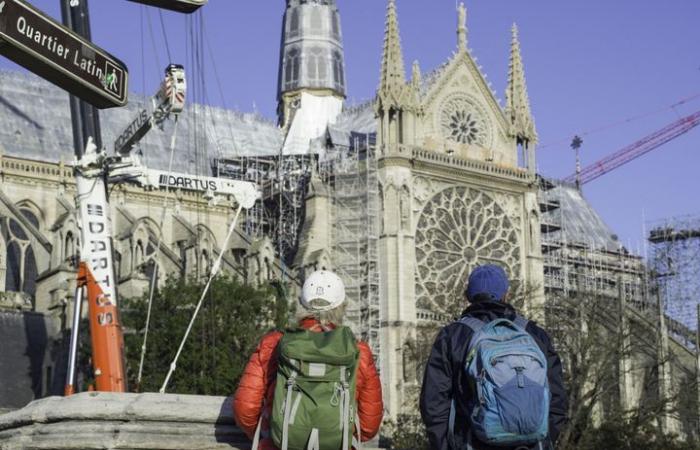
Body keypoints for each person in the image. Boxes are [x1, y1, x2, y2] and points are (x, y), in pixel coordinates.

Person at [420, 265, 567, 450]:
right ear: (506, 294)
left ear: (467, 296)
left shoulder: (452, 336)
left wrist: (444, 445)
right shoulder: (535, 334)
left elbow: (434, 402)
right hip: (530, 444)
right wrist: (544, 439)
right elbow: (557, 398)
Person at [233, 270, 384, 450]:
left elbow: (245, 410)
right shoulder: (358, 351)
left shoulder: (273, 344)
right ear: (342, 307)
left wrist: (274, 433)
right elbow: (369, 426)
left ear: (302, 304)